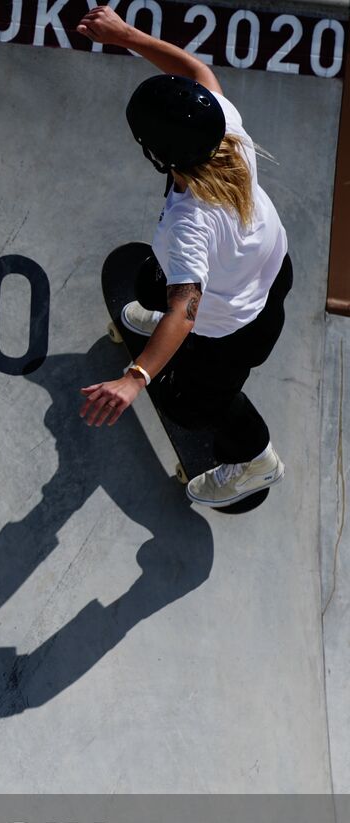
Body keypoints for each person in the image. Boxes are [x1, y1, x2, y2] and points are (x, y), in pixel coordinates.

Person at [76, 6, 292, 507]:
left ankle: (257, 462)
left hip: (233, 327)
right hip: (271, 268)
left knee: (189, 406)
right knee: (154, 282)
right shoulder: (227, 131)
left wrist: (134, 380)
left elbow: (186, 309)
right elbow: (197, 73)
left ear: (160, 156)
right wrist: (126, 35)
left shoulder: (188, 224)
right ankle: (165, 342)